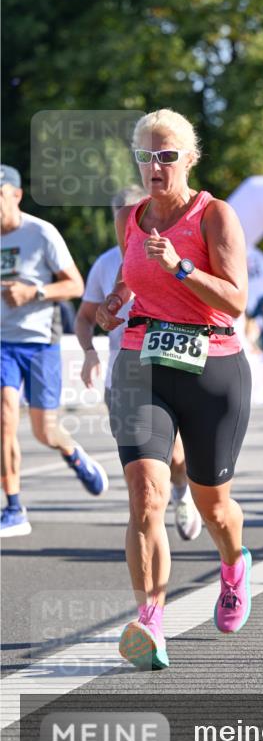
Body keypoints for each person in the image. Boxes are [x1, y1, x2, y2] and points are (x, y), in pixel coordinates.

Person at [95, 110, 251, 670]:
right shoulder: (132, 218)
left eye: (166, 156)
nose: (155, 167)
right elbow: (129, 278)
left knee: (213, 506)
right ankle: (150, 622)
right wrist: (116, 304)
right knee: (146, 495)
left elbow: (236, 300)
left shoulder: (215, 216)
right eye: (146, 156)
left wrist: (183, 268)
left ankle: (233, 566)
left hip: (213, 366)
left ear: (188, 158)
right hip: (143, 361)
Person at [74, 187, 202, 541]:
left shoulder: (171, 252)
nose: (126, 221)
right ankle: (150, 522)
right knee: (141, 466)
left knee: (176, 455)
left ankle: (181, 491)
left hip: (168, 366)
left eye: (133, 212)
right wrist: (88, 352)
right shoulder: (104, 264)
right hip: (124, 374)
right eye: (120, 213)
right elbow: (84, 318)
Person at [1, 164, 108, 538]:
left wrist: (35, 293)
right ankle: (13, 508)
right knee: (4, 418)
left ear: (15, 195)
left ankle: (74, 454)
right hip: (2, 343)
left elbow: (76, 284)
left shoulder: (41, 232)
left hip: (40, 339)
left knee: (45, 430)